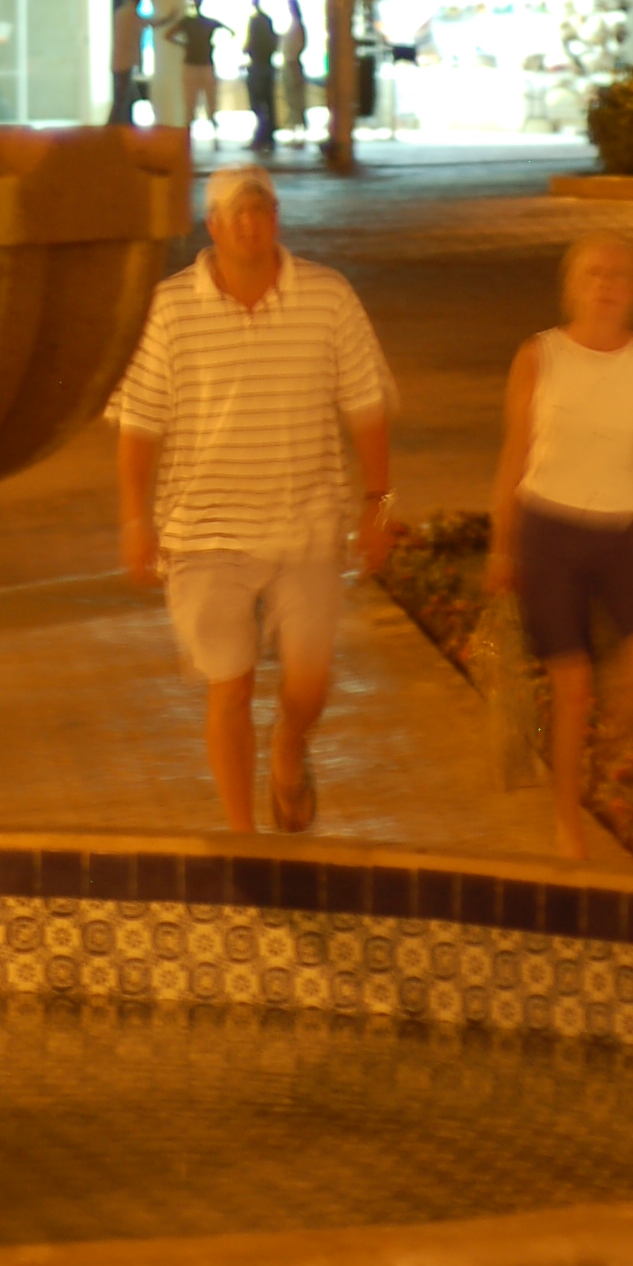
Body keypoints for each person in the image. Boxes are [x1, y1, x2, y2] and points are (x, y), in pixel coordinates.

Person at [115, 164, 396, 833]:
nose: (249, 224)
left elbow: (365, 403)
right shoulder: (171, 307)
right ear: (211, 227)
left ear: (276, 219)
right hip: (204, 530)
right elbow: (139, 421)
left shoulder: (327, 297)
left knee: (309, 683)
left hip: (307, 522)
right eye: (235, 213)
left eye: (260, 210)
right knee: (229, 686)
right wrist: (133, 519)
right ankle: (243, 839)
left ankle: (290, 745)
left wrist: (378, 504)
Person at [487, 233, 633, 862]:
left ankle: (604, 768)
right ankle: (568, 825)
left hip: (622, 536)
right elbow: (514, 455)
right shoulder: (539, 356)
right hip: (549, 533)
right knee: (573, 688)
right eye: (594, 273)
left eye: (619, 274)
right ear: (571, 286)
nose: (606, 285)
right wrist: (501, 547)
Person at [163, 0, 232, 143]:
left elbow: (168, 35)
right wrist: (214, 44)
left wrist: (183, 44)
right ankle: (209, 134)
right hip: (204, 64)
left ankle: (188, 136)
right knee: (209, 100)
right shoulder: (207, 23)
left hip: (192, 65)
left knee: (191, 102)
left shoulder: (188, 22)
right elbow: (230, 31)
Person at [243, 0, 278, 157]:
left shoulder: (255, 21)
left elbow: (249, 44)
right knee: (268, 104)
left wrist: (248, 51)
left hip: (257, 66)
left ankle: (261, 137)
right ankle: (267, 138)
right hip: (267, 66)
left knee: (258, 104)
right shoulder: (267, 21)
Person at [109, 0, 149, 125]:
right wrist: (169, 18)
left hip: (120, 60)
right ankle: (113, 124)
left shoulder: (121, 13)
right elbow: (150, 23)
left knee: (125, 95)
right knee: (122, 96)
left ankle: (123, 122)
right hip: (126, 62)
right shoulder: (132, 15)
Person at [278, 0, 309, 145]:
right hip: (292, 63)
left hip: (292, 64)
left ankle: (298, 133)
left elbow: (297, 45)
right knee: (293, 100)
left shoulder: (297, 26)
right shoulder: (296, 26)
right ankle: (296, 131)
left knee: (295, 100)